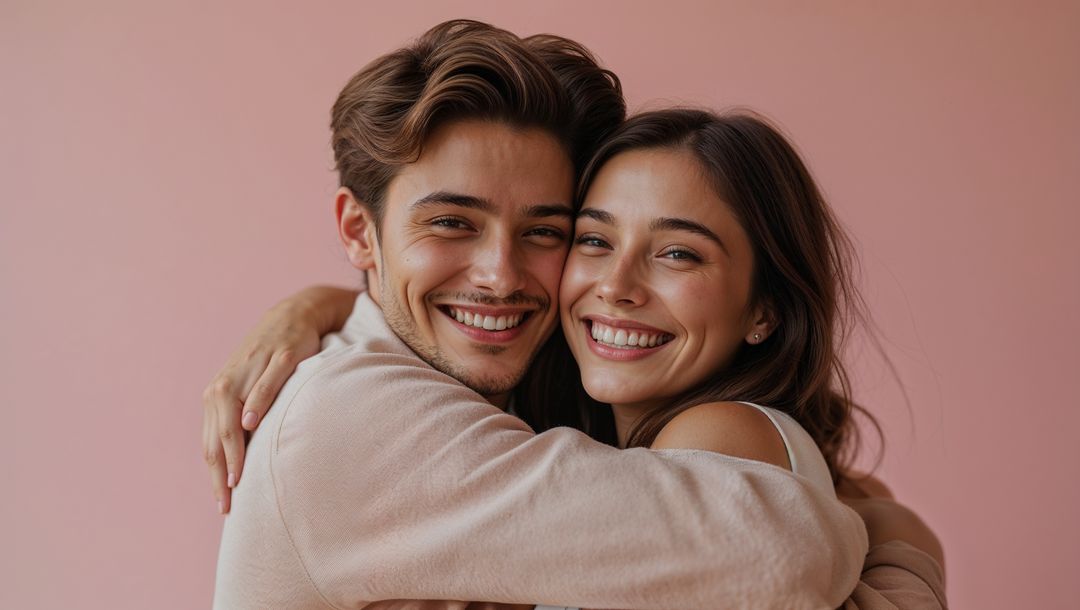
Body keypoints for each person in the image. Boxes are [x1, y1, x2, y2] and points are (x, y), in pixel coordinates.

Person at [208, 19, 943, 609]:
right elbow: (785, 551)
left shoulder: (529, 402)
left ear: (766, 307)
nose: (501, 276)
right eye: (452, 223)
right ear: (359, 231)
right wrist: (893, 540)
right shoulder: (350, 413)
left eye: (546, 231)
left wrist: (325, 304)